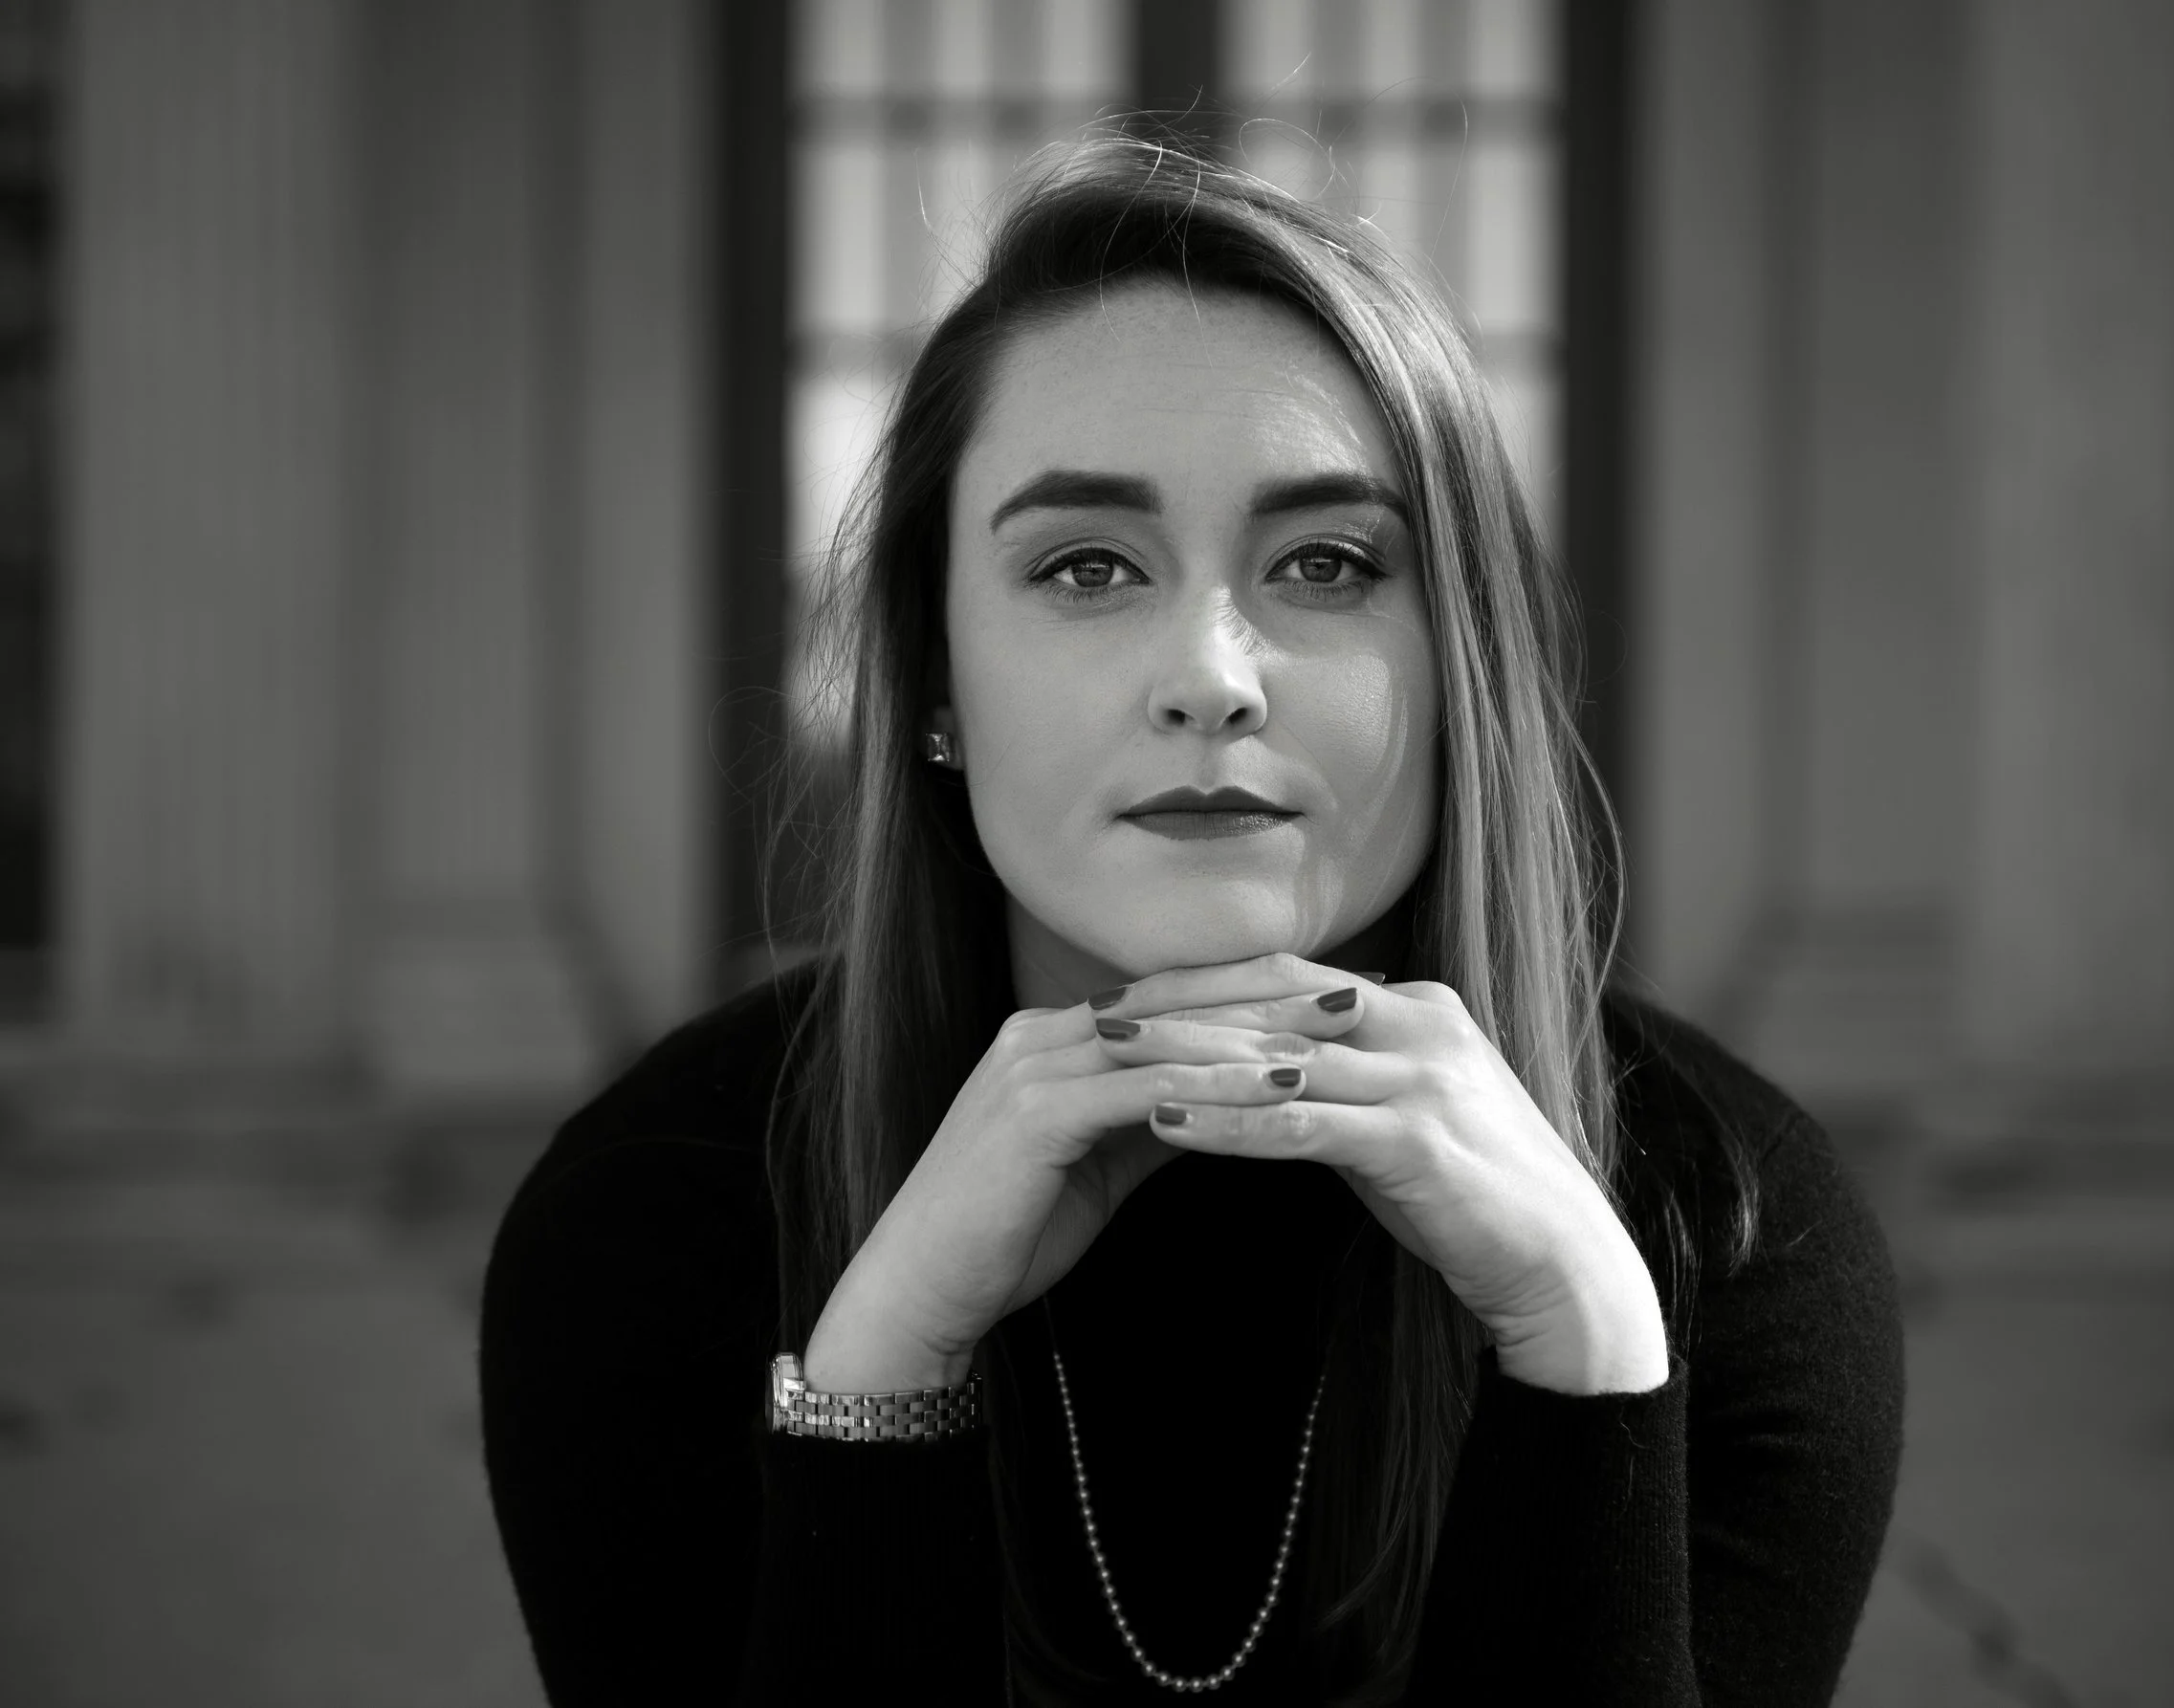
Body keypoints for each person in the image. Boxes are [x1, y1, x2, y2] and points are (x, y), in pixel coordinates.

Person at [478, 135, 1905, 1706]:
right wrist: (877, 1376)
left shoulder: (1731, 1220)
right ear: (935, 683)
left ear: (1459, 675)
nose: (1214, 674)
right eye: (1088, 564)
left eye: (1327, 563)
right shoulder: (652, 1212)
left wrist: (1583, 1352)